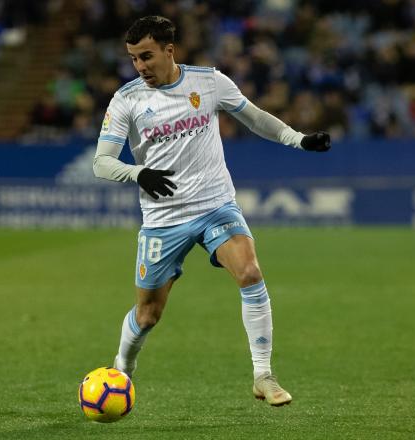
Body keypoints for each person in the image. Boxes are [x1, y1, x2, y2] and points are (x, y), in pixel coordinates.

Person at [92, 16, 331, 407]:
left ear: (170, 51)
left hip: (215, 204)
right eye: (133, 58)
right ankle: (122, 368)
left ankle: (263, 374)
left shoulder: (209, 82)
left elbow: (254, 118)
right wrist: (139, 173)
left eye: (147, 56)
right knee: (148, 313)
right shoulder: (127, 100)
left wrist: (298, 140)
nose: (140, 66)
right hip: (163, 219)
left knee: (250, 271)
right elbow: (101, 162)